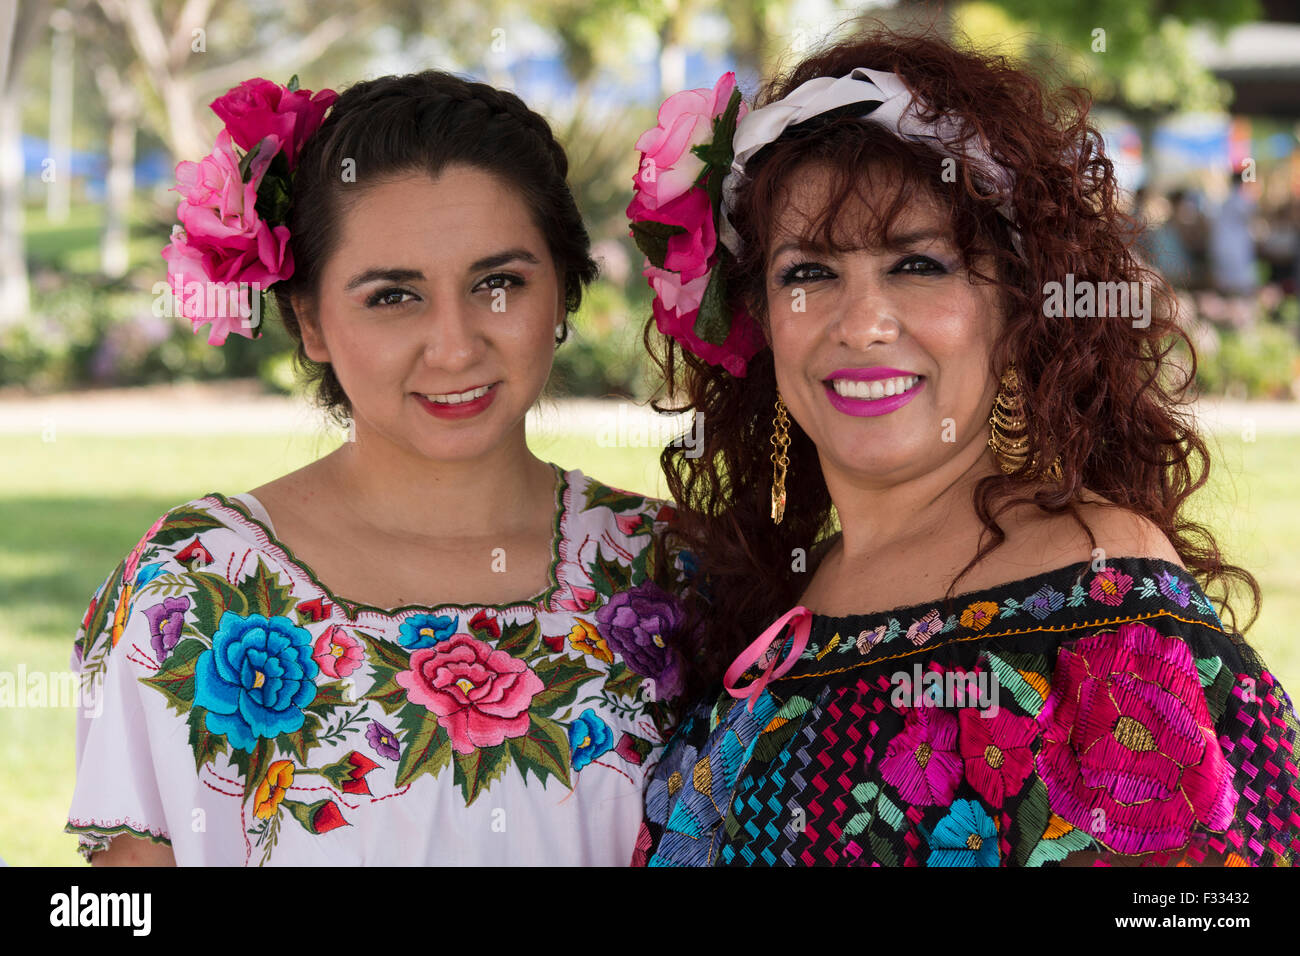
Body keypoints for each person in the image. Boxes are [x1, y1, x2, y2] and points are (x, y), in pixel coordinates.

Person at [626, 29, 1300, 866]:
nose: (862, 321)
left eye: (918, 264)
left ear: (1015, 311)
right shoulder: (766, 596)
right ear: (758, 315)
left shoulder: (1104, 595)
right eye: (808, 272)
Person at [66, 70, 686, 865]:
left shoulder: (674, 572)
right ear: (310, 322)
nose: (456, 344)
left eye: (498, 283)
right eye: (393, 296)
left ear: (562, 294)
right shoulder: (190, 591)